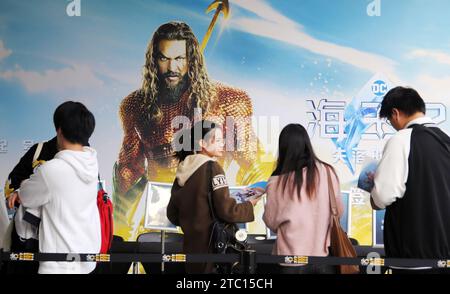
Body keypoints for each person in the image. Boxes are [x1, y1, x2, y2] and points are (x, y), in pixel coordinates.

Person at [113, 21, 272, 240]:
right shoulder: (135, 105)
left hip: (211, 218)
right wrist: (119, 234)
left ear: (192, 60)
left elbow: (254, 165)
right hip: (159, 218)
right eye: (164, 58)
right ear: (153, 60)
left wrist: (247, 214)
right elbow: (128, 173)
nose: (171, 68)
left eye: (179, 58)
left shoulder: (228, 100)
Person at [371, 87, 450, 274]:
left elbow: (383, 197)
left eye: (389, 120)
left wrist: (373, 194)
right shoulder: (446, 140)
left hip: (411, 257)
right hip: (445, 257)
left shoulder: (401, 140)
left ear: (395, 113)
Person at [17, 101, 101, 274]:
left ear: (59, 131)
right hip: (86, 261)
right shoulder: (92, 164)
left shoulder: (51, 170)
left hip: (57, 264)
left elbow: (25, 196)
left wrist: (23, 187)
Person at [167, 120, 260, 274]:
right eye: (217, 140)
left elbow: (172, 214)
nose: (222, 144)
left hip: (191, 249)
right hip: (213, 249)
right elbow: (227, 211)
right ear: (202, 143)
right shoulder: (212, 167)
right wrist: (250, 205)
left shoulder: (182, 170)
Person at [263, 124, 343, 274]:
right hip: (323, 258)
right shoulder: (327, 171)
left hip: (290, 261)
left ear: (283, 148)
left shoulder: (277, 181)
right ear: (307, 144)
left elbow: (271, 222)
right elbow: (338, 212)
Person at [4, 136, 58, 274]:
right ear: (60, 128)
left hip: (61, 239)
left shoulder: (85, 158)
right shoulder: (39, 150)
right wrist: (20, 191)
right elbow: (12, 183)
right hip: (27, 239)